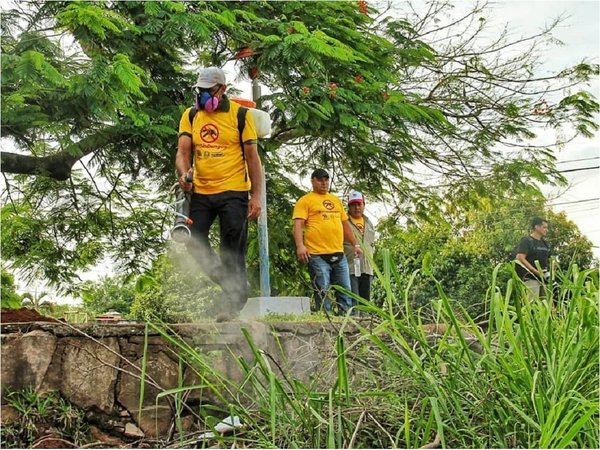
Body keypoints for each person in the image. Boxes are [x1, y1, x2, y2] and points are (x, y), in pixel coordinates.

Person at [175, 67, 263, 319]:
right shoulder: (191, 116)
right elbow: (182, 152)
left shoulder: (240, 115)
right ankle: (230, 283)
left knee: (232, 246)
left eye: (208, 91)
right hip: (201, 191)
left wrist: (255, 196)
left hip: (234, 191)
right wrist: (183, 175)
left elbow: (252, 159)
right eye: (199, 91)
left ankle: (232, 303)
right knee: (193, 240)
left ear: (222, 89)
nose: (203, 96)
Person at [292, 169, 363, 315]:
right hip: (317, 254)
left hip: (338, 253)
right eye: (320, 180)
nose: (324, 183)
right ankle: (324, 318)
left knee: (345, 290)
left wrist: (355, 243)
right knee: (322, 289)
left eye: (326, 180)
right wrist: (300, 246)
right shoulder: (305, 200)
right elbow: (298, 224)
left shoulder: (335, 200)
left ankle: (345, 320)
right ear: (313, 181)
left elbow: (345, 225)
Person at [343, 191, 376, 301]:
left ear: (364, 205)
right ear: (349, 206)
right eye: (353, 205)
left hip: (367, 268)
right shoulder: (344, 222)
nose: (356, 207)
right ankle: (354, 317)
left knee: (366, 302)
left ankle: (366, 318)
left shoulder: (369, 223)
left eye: (359, 204)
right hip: (351, 267)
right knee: (354, 300)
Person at [515, 217, 551, 299]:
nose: (546, 230)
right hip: (531, 278)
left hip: (544, 278)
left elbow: (550, 258)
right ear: (536, 227)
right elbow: (520, 257)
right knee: (532, 303)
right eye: (544, 227)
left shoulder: (545, 243)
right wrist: (535, 271)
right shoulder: (526, 241)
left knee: (546, 304)